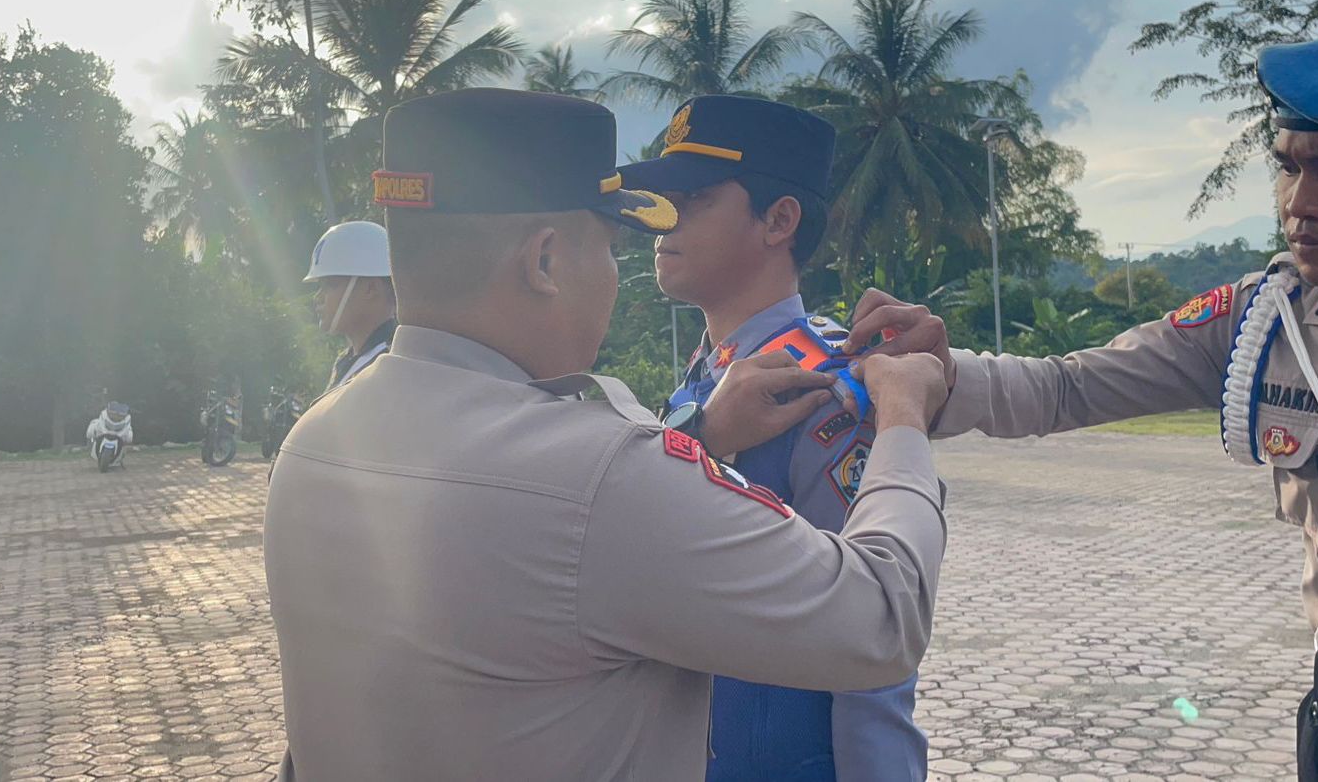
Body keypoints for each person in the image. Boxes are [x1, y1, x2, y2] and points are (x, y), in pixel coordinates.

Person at [263, 88, 951, 781]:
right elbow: (881, 620)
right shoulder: (602, 475)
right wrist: (903, 415)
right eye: (611, 249)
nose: (622, 273)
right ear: (543, 262)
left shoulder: (314, 442)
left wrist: (702, 434)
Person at [846, 19, 1318, 782]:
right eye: (1286, 168)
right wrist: (936, 372)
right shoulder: (1261, 321)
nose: (1300, 203)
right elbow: (1068, 385)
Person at [618, 94, 928, 782]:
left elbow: (873, 644)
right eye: (664, 199)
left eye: (695, 199)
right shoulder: (704, 378)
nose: (664, 221)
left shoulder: (829, 387)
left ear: (779, 220)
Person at [304, 220, 397, 389]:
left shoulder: (389, 366)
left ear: (371, 289)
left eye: (331, 284)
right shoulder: (349, 361)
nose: (318, 297)